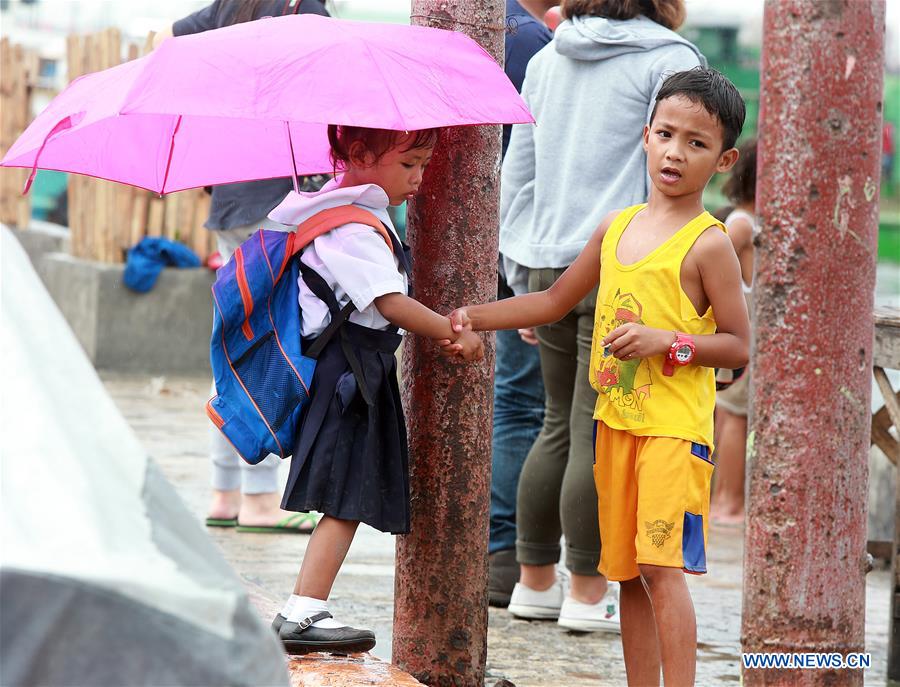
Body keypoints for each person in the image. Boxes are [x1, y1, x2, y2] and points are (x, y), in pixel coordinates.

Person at [445, 67, 749, 685]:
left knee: (662, 569)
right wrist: (469, 315)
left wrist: (669, 342)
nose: (675, 152)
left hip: (673, 432)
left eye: (696, 143)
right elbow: (552, 301)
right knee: (627, 573)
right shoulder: (615, 227)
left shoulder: (709, 243)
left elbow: (739, 346)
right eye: (666, 134)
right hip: (614, 425)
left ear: (724, 161)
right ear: (645, 136)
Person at [498, 0, 703, 632]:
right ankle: (587, 592)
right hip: (624, 268)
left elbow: (518, 170)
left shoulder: (548, 56)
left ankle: (535, 583)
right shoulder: (670, 60)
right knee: (597, 429)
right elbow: (670, 176)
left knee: (555, 423)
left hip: (546, 262)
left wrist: (523, 268)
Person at [265, 125, 483, 654]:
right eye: (408, 164)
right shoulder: (351, 227)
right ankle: (304, 610)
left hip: (355, 369)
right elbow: (388, 302)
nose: (418, 178)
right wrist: (453, 331)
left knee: (346, 494)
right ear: (359, 154)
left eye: (423, 165)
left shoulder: (343, 211)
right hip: (349, 376)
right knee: (345, 496)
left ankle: (302, 607)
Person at [157, 0, 330, 534]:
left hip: (231, 195)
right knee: (271, 349)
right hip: (280, 198)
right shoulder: (304, 8)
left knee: (233, 344)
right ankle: (258, 498)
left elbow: (170, 39)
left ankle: (225, 493)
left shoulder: (233, 5)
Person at [489, 0, 555, 608]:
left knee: (512, 403)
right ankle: (530, 561)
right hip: (538, 249)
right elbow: (530, 165)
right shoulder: (535, 41)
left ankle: (501, 554)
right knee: (539, 410)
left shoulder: (490, 22)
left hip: (498, 243)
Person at [710, 138, 757, 526]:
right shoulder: (742, 224)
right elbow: (711, 260)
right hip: (742, 334)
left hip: (741, 334)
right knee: (735, 416)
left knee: (728, 413)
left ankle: (722, 498)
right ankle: (728, 502)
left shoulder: (746, 222)